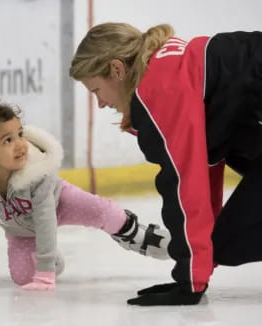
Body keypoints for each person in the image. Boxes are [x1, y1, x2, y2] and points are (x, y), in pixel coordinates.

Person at [70, 22, 262, 305]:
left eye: (96, 90)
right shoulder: (173, 69)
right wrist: (196, 269)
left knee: (227, 243)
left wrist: (189, 283)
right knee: (219, 241)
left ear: (117, 70)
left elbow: (185, 186)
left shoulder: (160, 91)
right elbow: (205, 171)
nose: (99, 103)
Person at [0, 98, 170, 291]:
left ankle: (135, 234)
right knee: (23, 277)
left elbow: (45, 219)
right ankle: (53, 260)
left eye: (20, 134)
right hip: (22, 232)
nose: (21, 145)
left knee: (105, 213)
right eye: (7, 141)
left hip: (60, 201)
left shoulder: (36, 173)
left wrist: (45, 269)